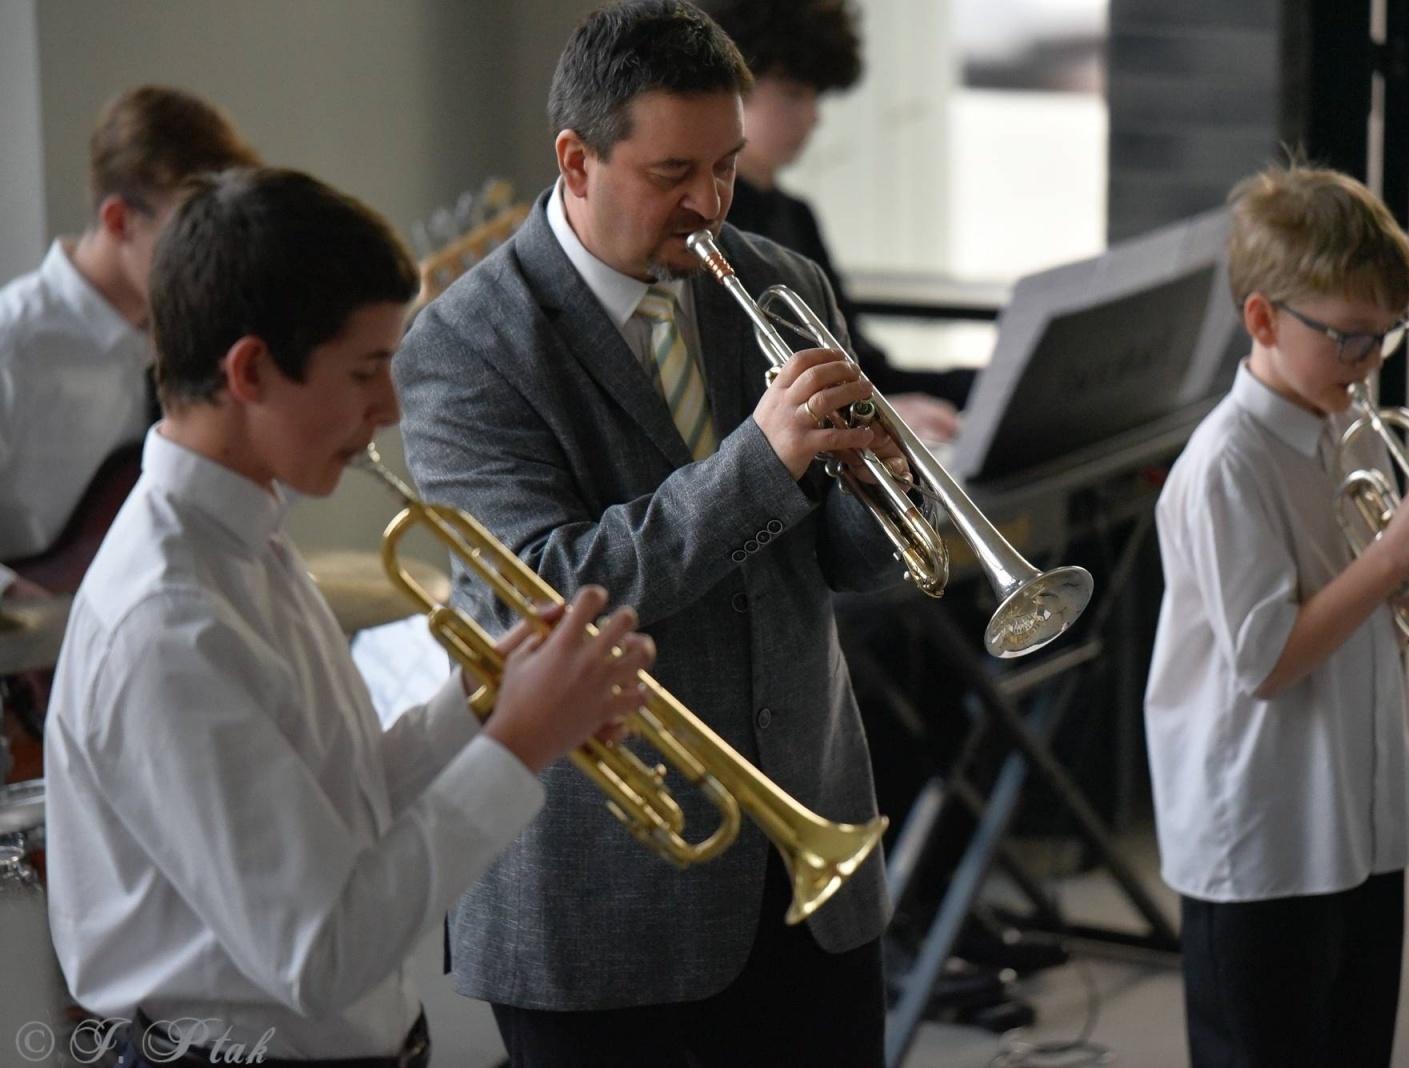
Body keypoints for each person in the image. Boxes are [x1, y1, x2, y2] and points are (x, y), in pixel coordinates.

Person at [44, 166, 656, 1067]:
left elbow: (340, 805)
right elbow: (322, 954)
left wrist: (483, 703)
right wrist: (518, 745)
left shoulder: (239, 539)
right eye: (366, 371)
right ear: (250, 370)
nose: (391, 408)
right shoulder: (168, 621)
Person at [392, 3, 900, 1064]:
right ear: (576, 161)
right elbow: (546, 593)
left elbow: (840, 567)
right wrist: (763, 462)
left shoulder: (781, 280)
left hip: (812, 861)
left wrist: (877, 487)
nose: (710, 203)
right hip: (604, 901)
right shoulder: (462, 345)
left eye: (726, 166)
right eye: (674, 173)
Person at [1143, 162, 1409, 1068]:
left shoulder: (1350, 428)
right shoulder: (1227, 465)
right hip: (1264, 840)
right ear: (1263, 319)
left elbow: (1352, 606)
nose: (1370, 361)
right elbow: (1267, 660)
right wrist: (1391, 559)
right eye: (1348, 337)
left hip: (1355, 815)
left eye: (1386, 335)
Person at [0, 85, 259, 592]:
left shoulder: (192, 334)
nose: (210, 257)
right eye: (187, 231)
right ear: (119, 220)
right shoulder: (13, 344)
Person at [696, 0, 974, 444]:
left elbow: (859, 365)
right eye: (794, 93)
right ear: (733, 89)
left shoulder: (796, 215)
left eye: (816, 95)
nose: (814, 116)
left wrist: (989, 384)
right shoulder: (705, 228)